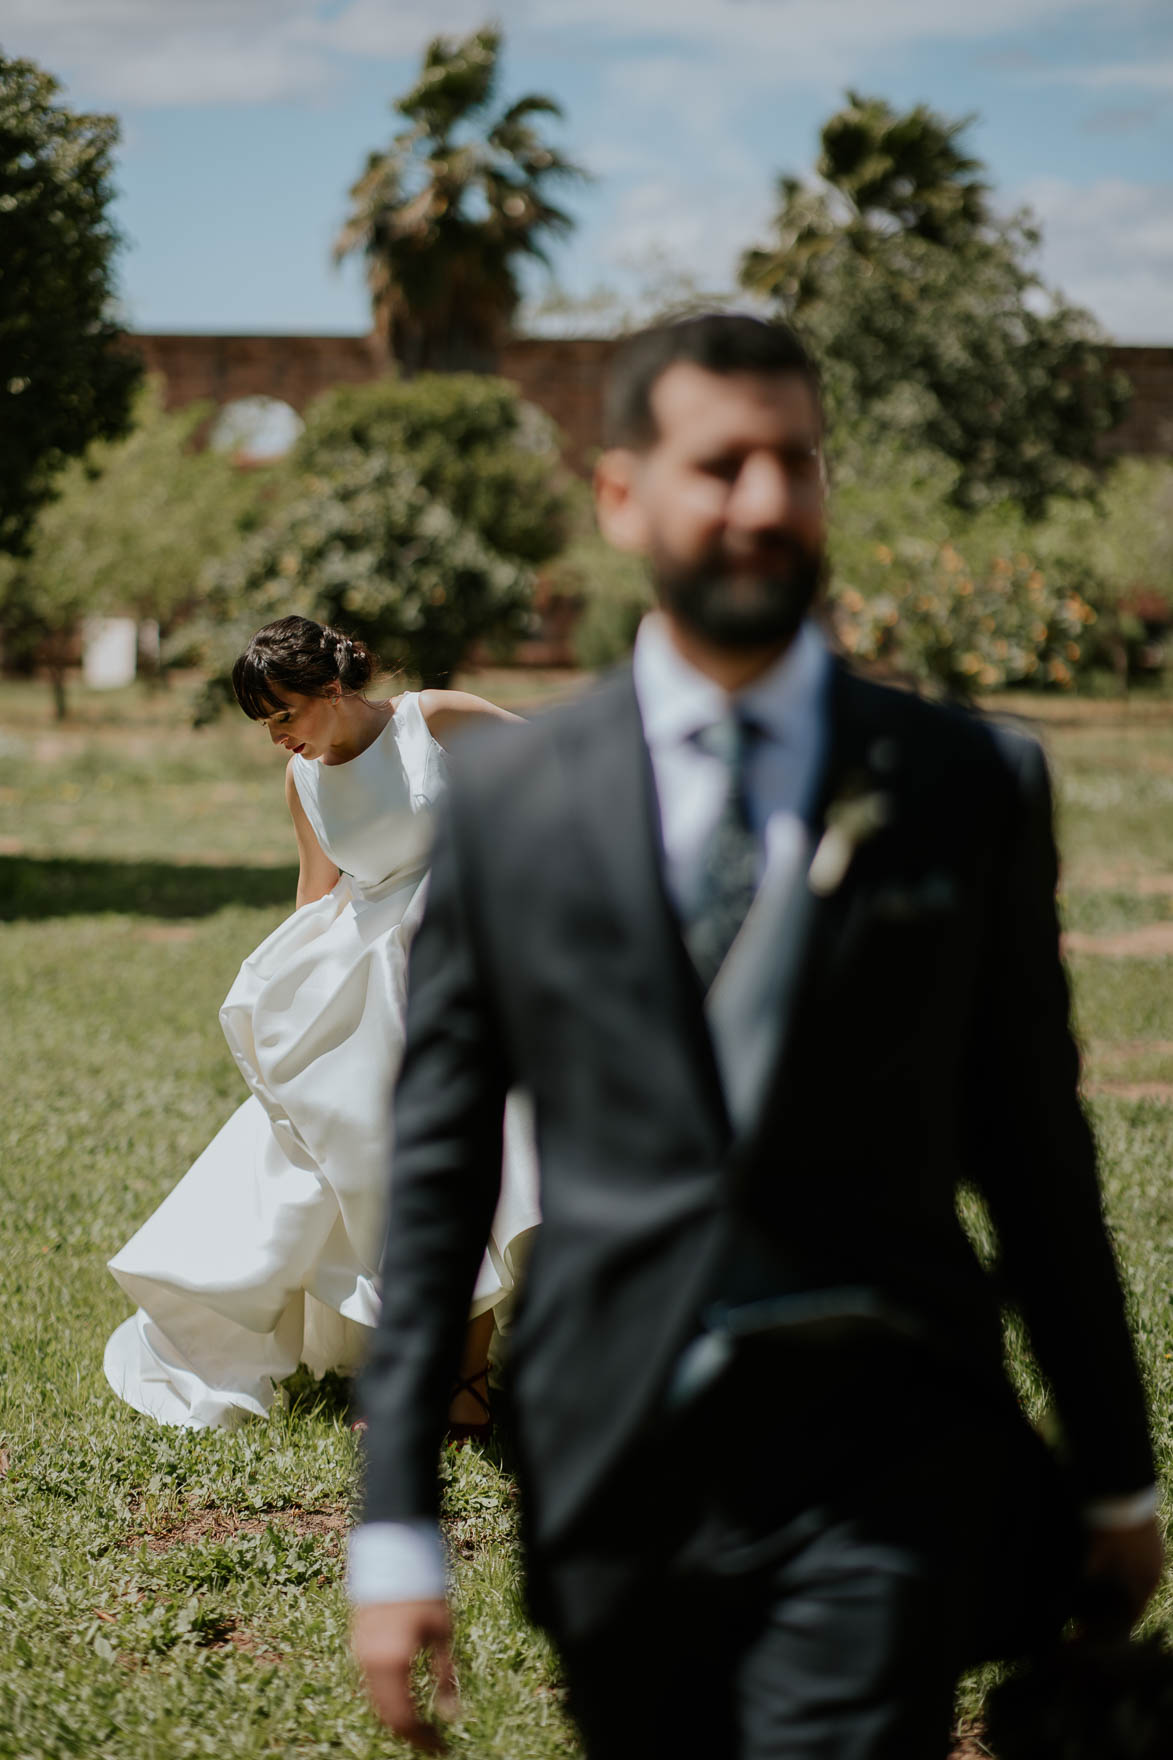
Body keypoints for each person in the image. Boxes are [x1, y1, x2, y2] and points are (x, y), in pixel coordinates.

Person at [349, 316, 1163, 1759]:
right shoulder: (510, 810)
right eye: (721, 464)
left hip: (887, 1453)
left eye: (796, 462)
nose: (766, 501)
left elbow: (1038, 1154)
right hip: (611, 1457)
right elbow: (437, 1178)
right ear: (622, 499)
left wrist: (1114, 1472)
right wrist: (397, 1521)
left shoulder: (966, 783)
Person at [103, 616, 539, 1432]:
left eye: (283, 716)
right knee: (366, 1168)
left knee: (479, 1152)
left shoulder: (432, 721)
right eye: (264, 726)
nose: (276, 740)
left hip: (467, 951)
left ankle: (467, 1383)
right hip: (374, 971)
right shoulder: (302, 781)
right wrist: (292, 998)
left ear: (331, 689)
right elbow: (317, 894)